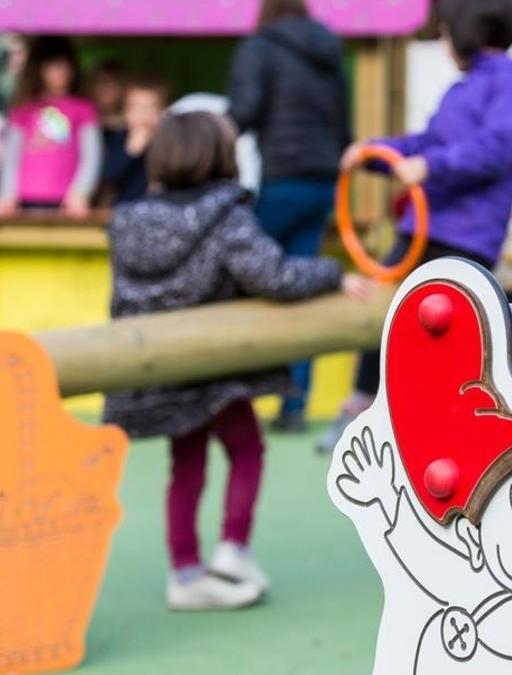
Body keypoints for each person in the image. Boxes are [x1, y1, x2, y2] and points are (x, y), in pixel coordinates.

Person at [102, 111, 373, 611]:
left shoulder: (129, 221)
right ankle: (233, 547)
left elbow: (125, 297)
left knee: (186, 466)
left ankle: (184, 572)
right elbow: (272, 276)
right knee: (246, 449)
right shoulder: (226, 215)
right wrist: (330, 275)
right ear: (221, 157)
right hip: (214, 361)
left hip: (162, 365)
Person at [319, 0, 512, 450]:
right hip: (421, 229)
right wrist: (374, 152)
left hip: (466, 235)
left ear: (464, 33)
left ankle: (458, 426)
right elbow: (427, 143)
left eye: (445, 33)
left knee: (445, 334)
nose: (443, 44)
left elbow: (495, 149)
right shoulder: (463, 88)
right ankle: (361, 410)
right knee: (383, 316)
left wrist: (430, 166)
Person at [228, 0, 351, 432]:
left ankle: (232, 396)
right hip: (322, 184)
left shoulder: (259, 46)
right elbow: (344, 126)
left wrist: (199, 140)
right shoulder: (330, 50)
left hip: (280, 178)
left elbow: (243, 112)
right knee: (303, 286)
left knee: (242, 278)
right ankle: (294, 405)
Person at [0, 36, 102, 218]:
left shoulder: (83, 109)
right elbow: (11, 157)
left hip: (67, 203)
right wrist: (6, 194)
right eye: (54, 66)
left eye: (66, 65)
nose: (61, 72)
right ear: (39, 69)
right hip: (25, 200)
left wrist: (81, 192)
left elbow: (91, 155)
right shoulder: (23, 110)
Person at [100, 76, 168, 205]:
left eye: (149, 108)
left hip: (160, 209)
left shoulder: (167, 142)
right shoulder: (118, 139)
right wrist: (132, 150)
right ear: (125, 113)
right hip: (126, 209)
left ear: (162, 113)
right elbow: (110, 177)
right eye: (136, 108)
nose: (143, 114)